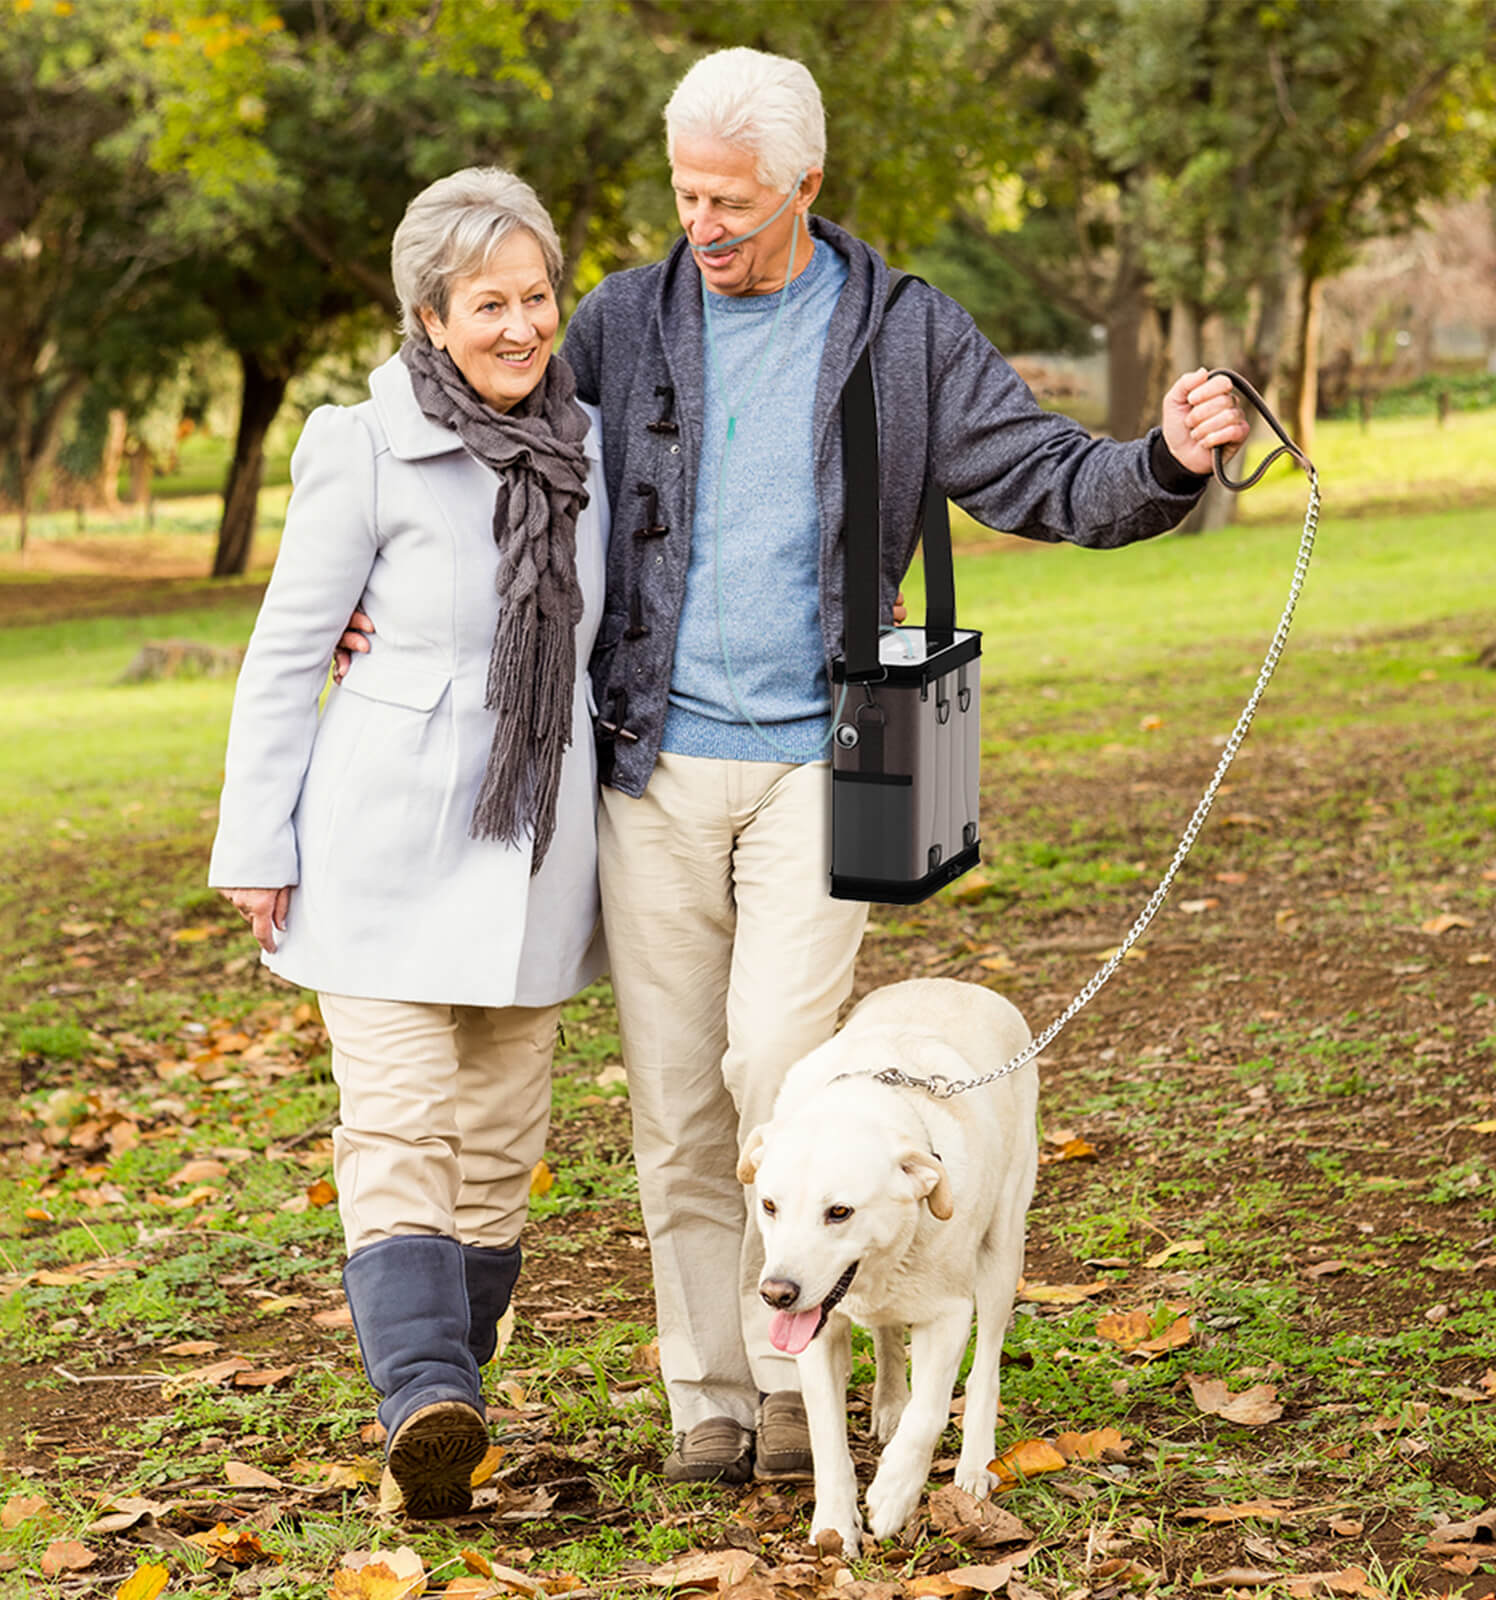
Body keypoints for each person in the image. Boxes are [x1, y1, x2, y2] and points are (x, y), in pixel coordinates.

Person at [340, 47, 1248, 1490]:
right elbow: (498, 440)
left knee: (774, 1065)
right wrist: (382, 593)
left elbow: (1039, 471)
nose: (705, 224)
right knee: (675, 1104)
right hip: (648, 757)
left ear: (808, 189)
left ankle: (801, 1365)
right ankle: (719, 1397)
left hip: (832, 757)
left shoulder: (901, 331)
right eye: (689, 194)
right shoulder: (625, 321)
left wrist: (1169, 463)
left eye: (736, 203)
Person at [208, 167, 608, 1520]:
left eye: (535, 296)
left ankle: (452, 1410)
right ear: (429, 317)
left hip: (536, 840)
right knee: (399, 1122)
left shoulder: (592, 450)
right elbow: (284, 657)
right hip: (383, 838)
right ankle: (423, 1397)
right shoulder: (358, 444)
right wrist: (255, 843)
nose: (517, 325)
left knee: (501, 1142)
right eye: (485, 302)